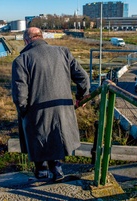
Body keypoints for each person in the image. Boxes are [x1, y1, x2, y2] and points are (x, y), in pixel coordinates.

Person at [11, 27, 90, 181]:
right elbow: (83, 77)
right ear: (41, 36)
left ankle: (41, 173)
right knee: (56, 136)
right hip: (62, 109)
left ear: (26, 40)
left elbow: (19, 94)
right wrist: (81, 97)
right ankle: (57, 172)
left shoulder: (21, 60)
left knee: (38, 137)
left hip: (36, 111)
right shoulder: (63, 52)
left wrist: (24, 111)